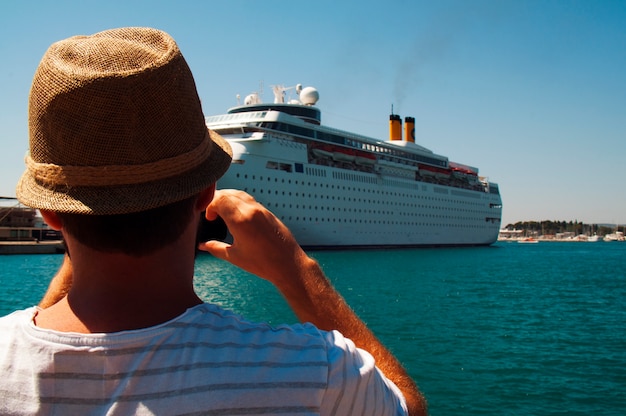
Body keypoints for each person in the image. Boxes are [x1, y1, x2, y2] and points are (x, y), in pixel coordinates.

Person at [0, 27, 427, 415]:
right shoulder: (316, 371)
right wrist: (297, 271)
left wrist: (90, 216)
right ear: (207, 191)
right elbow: (407, 408)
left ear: (50, 212)